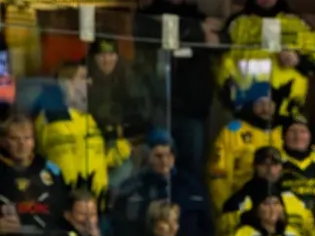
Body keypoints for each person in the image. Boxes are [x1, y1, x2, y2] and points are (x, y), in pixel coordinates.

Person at [131, 0, 222, 173]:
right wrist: (198, 30)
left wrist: (195, 32)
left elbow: (220, 41)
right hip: (160, 106)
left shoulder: (196, 15)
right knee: (159, 166)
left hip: (193, 108)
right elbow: (159, 39)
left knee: (192, 168)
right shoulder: (148, 16)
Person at [110, 130, 214, 236]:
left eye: (169, 155)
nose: (164, 161)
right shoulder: (132, 189)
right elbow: (120, 231)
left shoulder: (191, 186)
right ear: (148, 157)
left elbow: (206, 226)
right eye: (158, 156)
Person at [35, 62, 130, 209]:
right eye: (83, 77)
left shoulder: (93, 119)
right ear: (67, 83)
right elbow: (42, 157)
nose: (89, 83)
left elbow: (101, 158)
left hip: (96, 202)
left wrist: (122, 146)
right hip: (65, 201)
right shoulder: (51, 117)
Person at [217, 146, 314, 236]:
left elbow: (309, 233)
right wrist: (243, 218)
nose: (270, 170)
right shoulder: (238, 199)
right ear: (255, 166)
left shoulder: (295, 198)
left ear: (281, 168)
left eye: (275, 165)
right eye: (264, 164)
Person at [220, 0, 315, 95]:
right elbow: (220, 64)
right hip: (244, 103)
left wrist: (298, 60)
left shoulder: (298, 23)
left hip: (288, 106)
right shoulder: (236, 23)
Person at [0, 117, 64, 236]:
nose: (21, 144)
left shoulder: (51, 172)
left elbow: (63, 213)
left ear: (34, 142)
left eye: (27, 138)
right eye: (15, 139)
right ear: (3, 142)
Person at [85, 37, 154, 171]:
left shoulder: (129, 77)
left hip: (130, 139)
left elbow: (143, 112)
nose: (107, 60)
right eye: (102, 55)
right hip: (97, 143)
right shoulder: (85, 80)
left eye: (111, 54)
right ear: (94, 58)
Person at [210, 82, 281, 209]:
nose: (266, 109)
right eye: (260, 104)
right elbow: (219, 174)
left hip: (276, 203)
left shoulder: (282, 132)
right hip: (241, 201)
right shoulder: (234, 131)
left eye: (269, 104)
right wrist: (225, 206)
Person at [278, 115, 315, 222]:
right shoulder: (275, 163)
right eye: (292, 132)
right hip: (287, 225)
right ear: (284, 136)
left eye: (303, 132)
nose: (297, 137)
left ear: (310, 136)